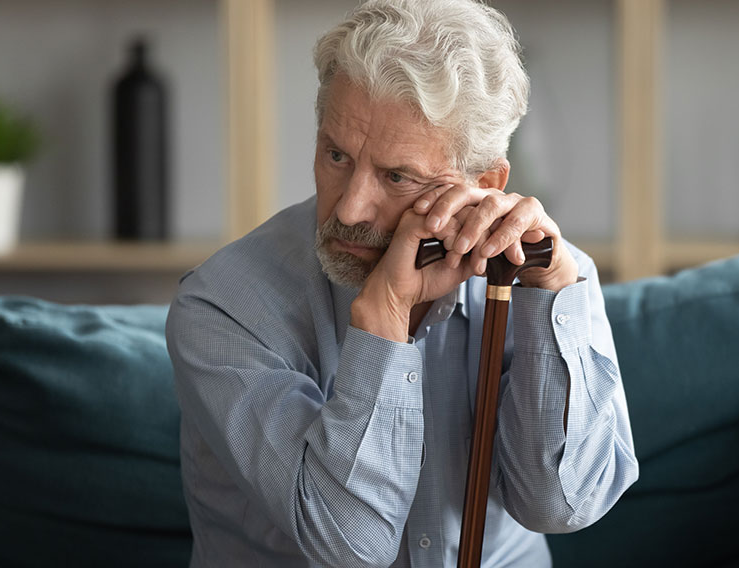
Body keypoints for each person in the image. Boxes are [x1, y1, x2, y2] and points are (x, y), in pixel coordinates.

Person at [166, 1, 637, 565]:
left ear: (483, 182)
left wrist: (553, 292)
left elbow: (560, 506)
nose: (351, 206)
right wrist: (384, 316)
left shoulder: (546, 273)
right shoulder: (222, 309)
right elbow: (349, 544)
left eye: (397, 176)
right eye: (336, 154)